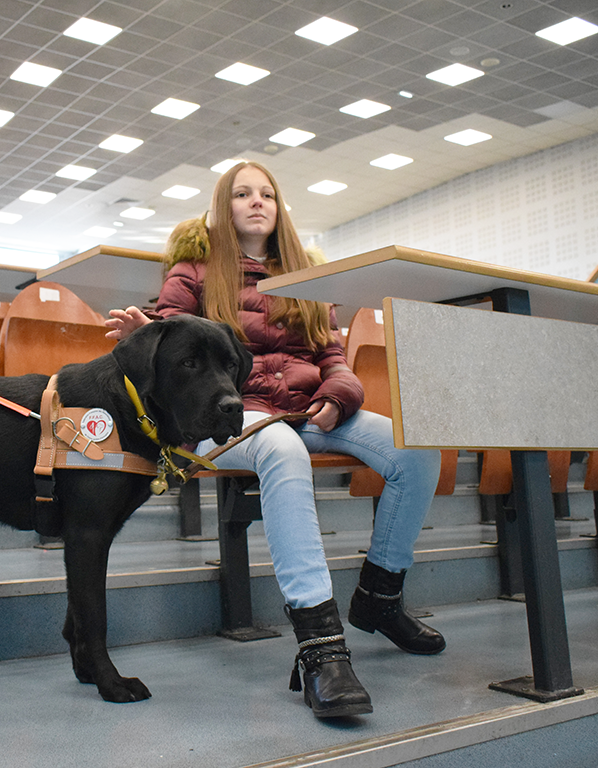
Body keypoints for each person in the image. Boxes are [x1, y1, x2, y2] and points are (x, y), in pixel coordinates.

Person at [105, 161, 443, 718]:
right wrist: (148, 338)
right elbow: (170, 346)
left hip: (306, 412)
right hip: (228, 421)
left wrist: (338, 395)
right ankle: (321, 650)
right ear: (223, 206)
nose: (256, 201)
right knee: (283, 451)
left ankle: (380, 598)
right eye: (242, 193)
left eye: (267, 193)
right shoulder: (193, 271)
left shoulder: (307, 277)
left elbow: (333, 355)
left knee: (415, 446)